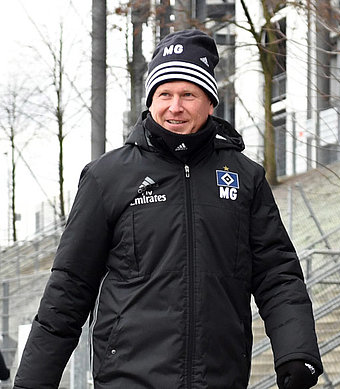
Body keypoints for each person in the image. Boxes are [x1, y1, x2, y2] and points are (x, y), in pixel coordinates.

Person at [14, 29, 322, 389]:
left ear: (210, 102)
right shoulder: (107, 177)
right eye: (165, 94)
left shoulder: (245, 177)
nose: (175, 106)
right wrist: (33, 383)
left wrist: (297, 351)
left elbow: (277, 274)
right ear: (150, 100)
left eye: (188, 94)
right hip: (129, 380)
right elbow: (69, 287)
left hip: (220, 378)